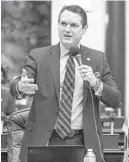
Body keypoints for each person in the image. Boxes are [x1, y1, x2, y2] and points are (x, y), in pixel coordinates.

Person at [10, 5, 121, 162]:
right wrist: (20, 86)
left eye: (74, 25)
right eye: (63, 24)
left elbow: (115, 99)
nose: (67, 29)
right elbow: (16, 85)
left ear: (84, 29)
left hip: (82, 142)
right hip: (44, 140)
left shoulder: (97, 59)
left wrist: (96, 83)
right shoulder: (39, 56)